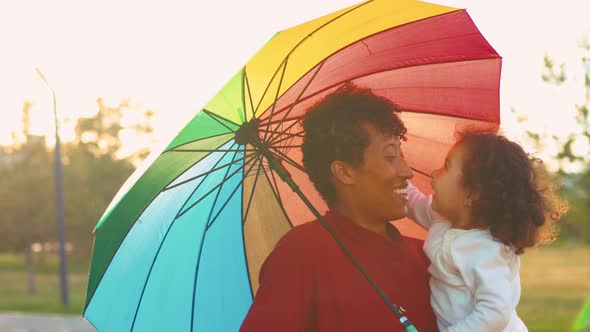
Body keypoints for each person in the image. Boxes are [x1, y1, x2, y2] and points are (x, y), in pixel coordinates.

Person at [240, 83, 438, 332]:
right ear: (344, 172)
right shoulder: (300, 255)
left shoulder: (427, 255)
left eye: (402, 155)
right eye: (390, 157)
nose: (406, 171)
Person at [405, 130, 567, 331]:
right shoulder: (444, 220)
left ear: (472, 193)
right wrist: (391, 176)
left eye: (446, 167)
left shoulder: (486, 250)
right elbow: (412, 202)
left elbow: (495, 312)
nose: (434, 173)